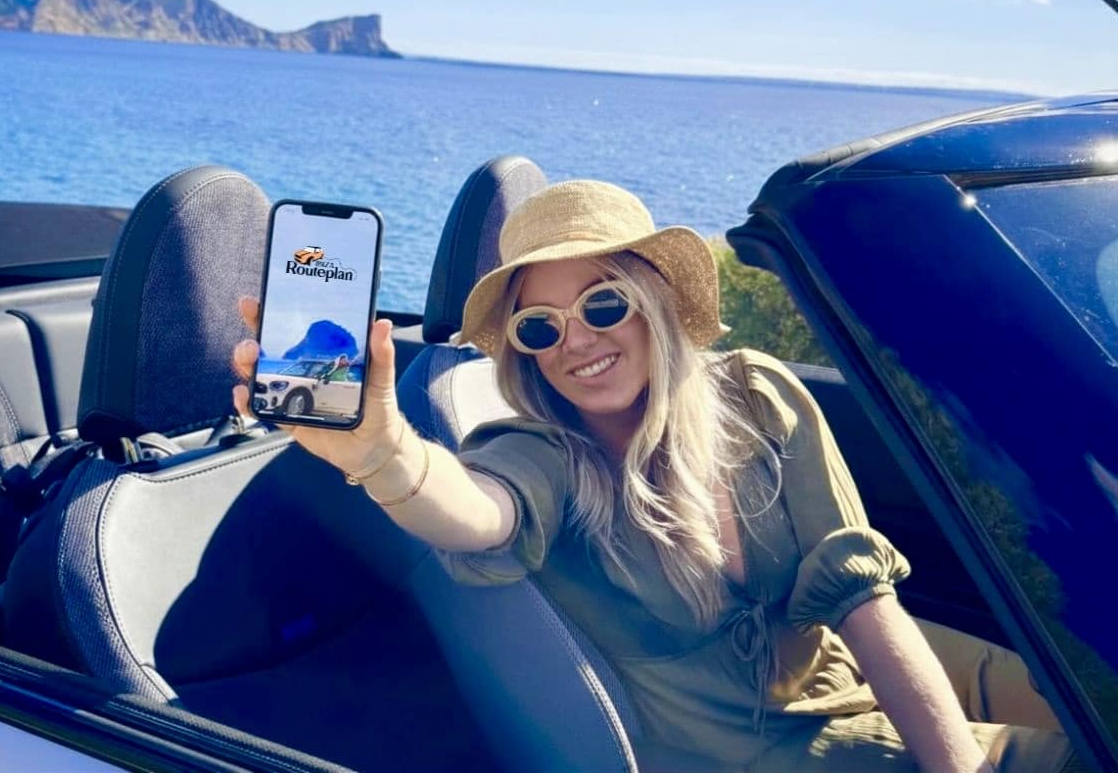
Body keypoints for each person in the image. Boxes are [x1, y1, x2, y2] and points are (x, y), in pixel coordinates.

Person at [232, 180, 1075, 772]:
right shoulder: (544, 451)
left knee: (1084, 690)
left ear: (656, 303)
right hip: (767, 754)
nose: (578, 340)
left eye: (603, 305)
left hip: (838, 676)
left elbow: (864, 601)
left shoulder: (757, 393)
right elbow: (475, 509)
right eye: (539, 325)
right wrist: (383, 450)